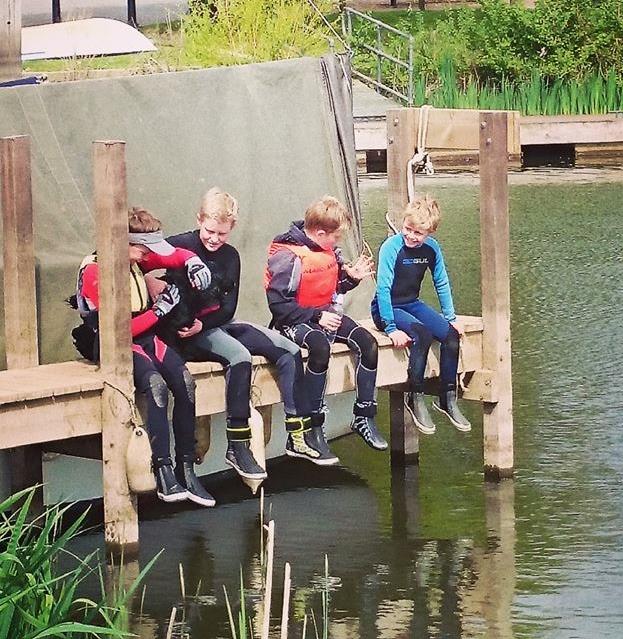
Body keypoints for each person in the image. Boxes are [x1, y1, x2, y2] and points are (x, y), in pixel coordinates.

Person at [163, 187, 338, 477]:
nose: (214, 239)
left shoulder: (230, 256)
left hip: (211, 324)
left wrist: (203, 324)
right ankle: (238, 444)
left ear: (232, 228)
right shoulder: (179, 245)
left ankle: (298, 435)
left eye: (222, 233)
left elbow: (227, 308)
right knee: (239, 356)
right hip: (184, 333)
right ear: (199, 220)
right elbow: (139, 255)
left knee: (289, 350)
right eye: (209, 231)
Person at [72, 207, 217, 506]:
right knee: (156, 386)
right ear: (126, 244)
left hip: (147, 336)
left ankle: (186, 469)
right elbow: (116, 330)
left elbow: (173, 255)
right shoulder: (96, 271)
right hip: (116, 344)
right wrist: (159, 311)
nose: (149, 257)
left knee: (186, 382)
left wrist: (193, 261)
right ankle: (162, 470)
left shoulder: (135, 256)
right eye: (145, 250)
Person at [265, 195, 388, 451]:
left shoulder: (327, 250)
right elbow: (278, 305)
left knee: (368, 343)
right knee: (320, 347)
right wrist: (316, 316)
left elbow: (333, 288)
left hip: (325, 314)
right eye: (336, 237)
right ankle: (313, 424)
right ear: (320, 233)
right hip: (295, 319)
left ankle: (364, 416)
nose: (337, 242)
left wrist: (351, 279)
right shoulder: (289, 258)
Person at [371, 194, 471, 434]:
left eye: (418, 233)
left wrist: (451, 318)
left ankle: (447, 397)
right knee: (422, 334)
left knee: (450, 337)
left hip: (412, 303)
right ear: (403, 223)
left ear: (430, 232)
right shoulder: (391, 247)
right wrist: (391, 327)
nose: (411, 237)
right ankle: (414, 396)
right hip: (386, 308)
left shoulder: (431, 249)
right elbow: (383, 288)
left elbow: (441, 282)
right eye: (408, 229)